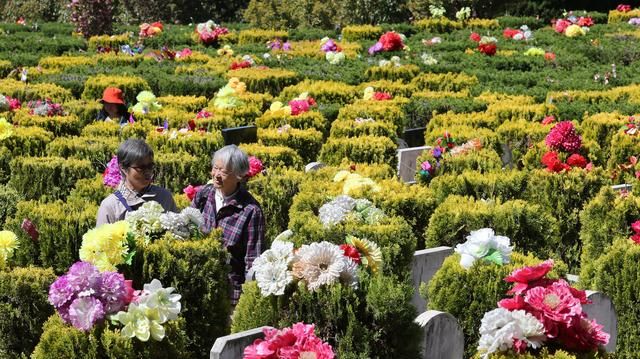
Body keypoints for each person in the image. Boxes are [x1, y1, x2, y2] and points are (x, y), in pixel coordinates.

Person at [192, 145, 266, 306]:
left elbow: (253, 260)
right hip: (199, 286)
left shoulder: (250, 210)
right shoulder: (203, 195)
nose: (216, 175)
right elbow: (187, 231)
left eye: (224, 172)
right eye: (215, 168)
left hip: (229, 294)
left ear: (239, 176)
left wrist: (248, 300)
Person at [96, 139, 177, 226]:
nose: (147, 172)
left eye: (150, 166)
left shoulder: (164, 197)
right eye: (140, 167)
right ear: (123, 168)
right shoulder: (111, 206)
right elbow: (101, 238)